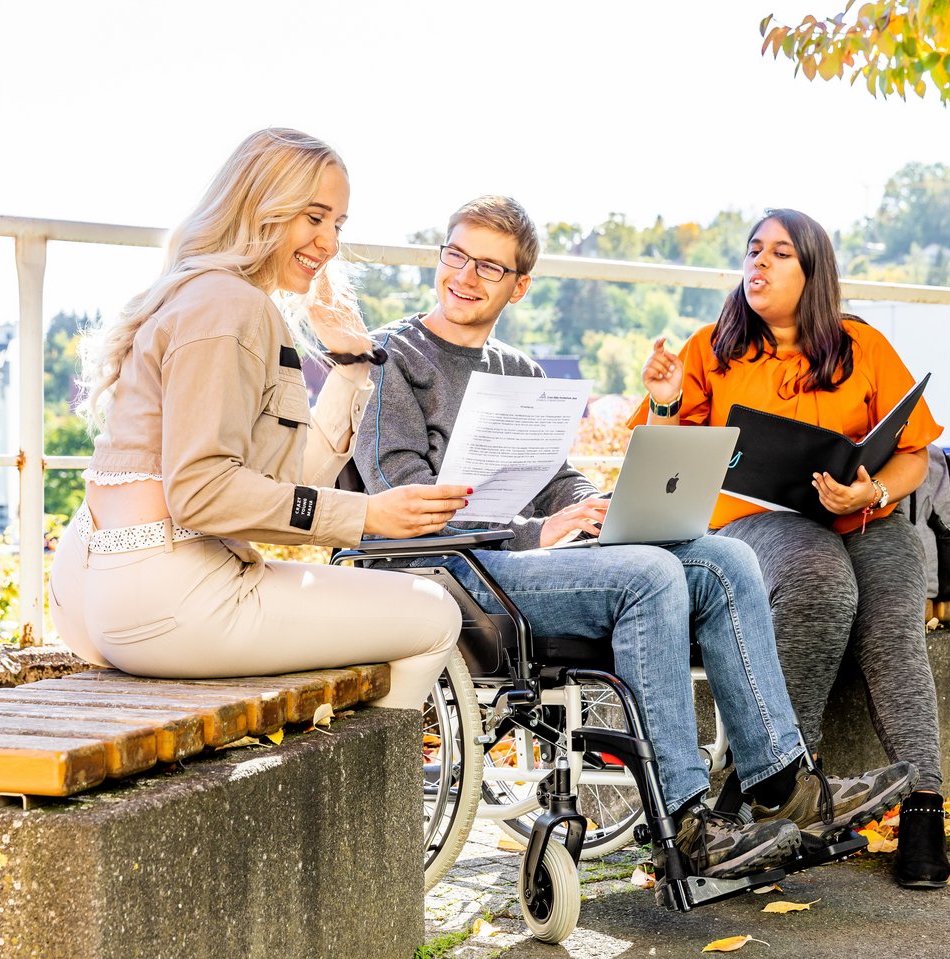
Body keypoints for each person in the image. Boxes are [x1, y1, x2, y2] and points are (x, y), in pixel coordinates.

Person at [353, 195, 917, 881]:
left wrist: (591, 505)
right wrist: (537, 530)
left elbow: (554, 474)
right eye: (456, 255)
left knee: (725, 557)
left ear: (519, 285)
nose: (466, 276)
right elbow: (397, 490)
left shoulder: (521, 372)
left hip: (534, 562)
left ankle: (781, 786)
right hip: (454, 570)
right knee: (650, 574)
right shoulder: (394, 358)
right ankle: (684, 823)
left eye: (490, 267)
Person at [48, 128, 469, 711]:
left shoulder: (210, 294)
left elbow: (288, 482)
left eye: (339, 225)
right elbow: (203, 492)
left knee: (397, 610)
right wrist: (367, 514)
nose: (328, 244)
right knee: (433, 613)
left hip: (100, 584)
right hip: (164, 591)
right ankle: (374, 800)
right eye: (314, 217)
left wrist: (349, 362)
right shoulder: (230, 305)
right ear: (261, 206)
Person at [633, 207, 950, 888]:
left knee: (893, 606)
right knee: (819, 577)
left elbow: (916, 456)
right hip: (750, 523)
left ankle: (925, 802)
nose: (760, 263)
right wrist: (663, 402)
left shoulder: (860, 346)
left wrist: (868, 494)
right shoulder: (709, 348)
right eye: (753, 250)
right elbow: (665, 463)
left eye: (780, 253)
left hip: (859, 517)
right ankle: (775, 788)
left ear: (813, 272)